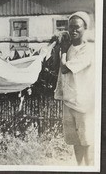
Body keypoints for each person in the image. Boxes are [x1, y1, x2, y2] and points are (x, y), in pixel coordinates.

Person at [54, 11, 95, 166]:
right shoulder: (69, 47)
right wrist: (61, 47)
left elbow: (65, 69)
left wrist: (63, 50)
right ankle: (79, 168)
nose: (73, 31)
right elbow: (57, 65)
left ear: (85, 28)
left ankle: (89, 168)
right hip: (68, 100)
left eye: (77, 27)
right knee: (75, 140)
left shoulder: (88, 49)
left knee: (86, 140)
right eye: (70, 28)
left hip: (83, 102)